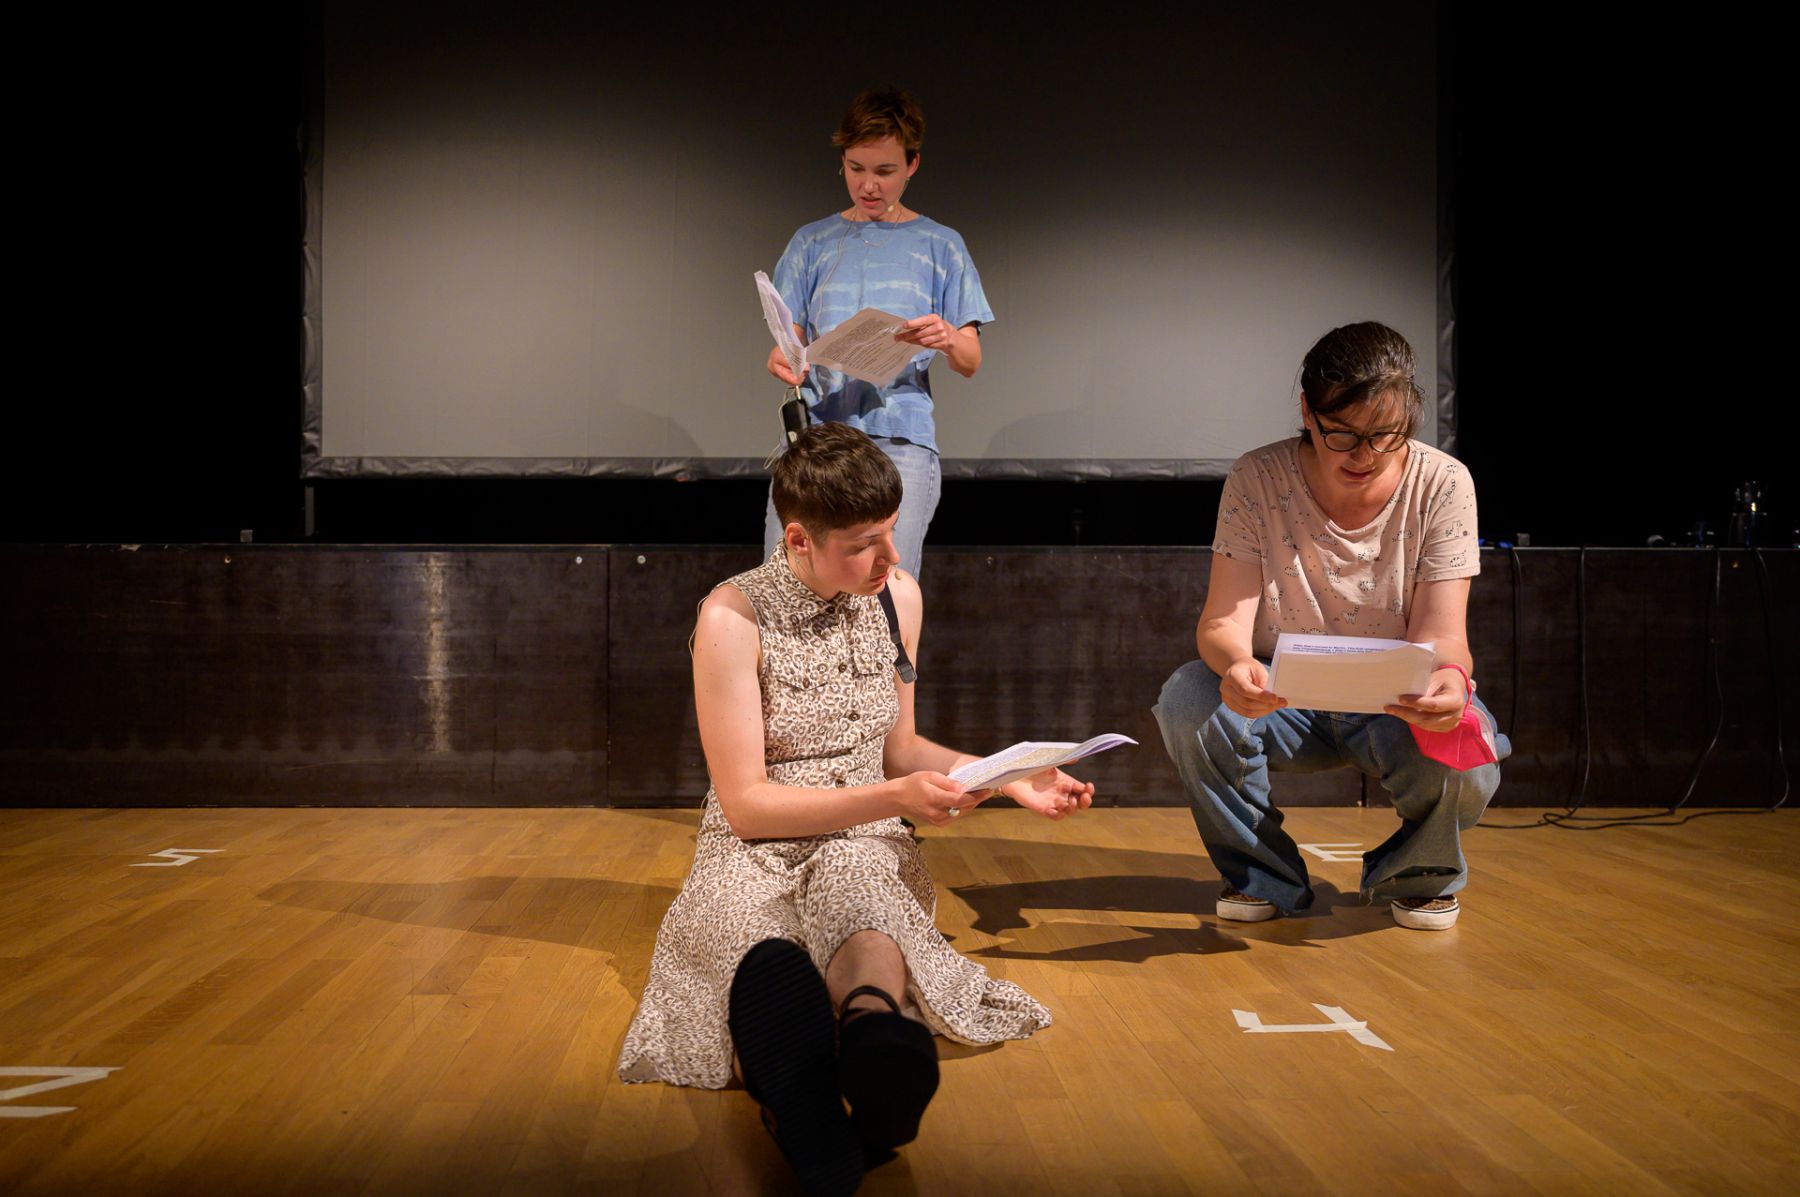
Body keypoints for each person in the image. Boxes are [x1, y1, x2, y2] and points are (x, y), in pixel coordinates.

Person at [619, 424, 1093, 1196]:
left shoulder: (896, 597)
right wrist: (896, 798)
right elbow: (745, 807)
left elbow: (901, 749)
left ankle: (872, 1028)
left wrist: (1008, 779)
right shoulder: (732, 617)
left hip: (866, 826)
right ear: (798, 539)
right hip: (757, 840)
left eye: (892, 535)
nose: (891, 559)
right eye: (865, 544)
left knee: (865, 895)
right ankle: (813, 1087)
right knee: (752, 940)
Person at [1152, 322, 1508, 931]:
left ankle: (1420, 876)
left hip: (1393, 704)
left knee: (1469, 746)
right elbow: (1221, 622)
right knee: (1188, 698)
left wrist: (1449, 677)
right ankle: (1263, 876)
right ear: (1307, 412)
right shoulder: (1258, 478)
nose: (1363, 456)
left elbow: (1445, 635)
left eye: (1385, 435)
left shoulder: (1443, 481)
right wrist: (1236, 665)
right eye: (1340, 434)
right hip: (1282, 698)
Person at [763, 86, 992, 578]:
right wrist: (784, 358)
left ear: (912, 165)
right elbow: (789, 341)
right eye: (856, 169)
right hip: (818, 438)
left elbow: (970, 359)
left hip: (899, 438)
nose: (869, 186)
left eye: (885, 171)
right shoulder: (811, 242)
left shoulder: (941, 245)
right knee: (789, 581)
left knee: (883, 588)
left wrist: (947, 336)